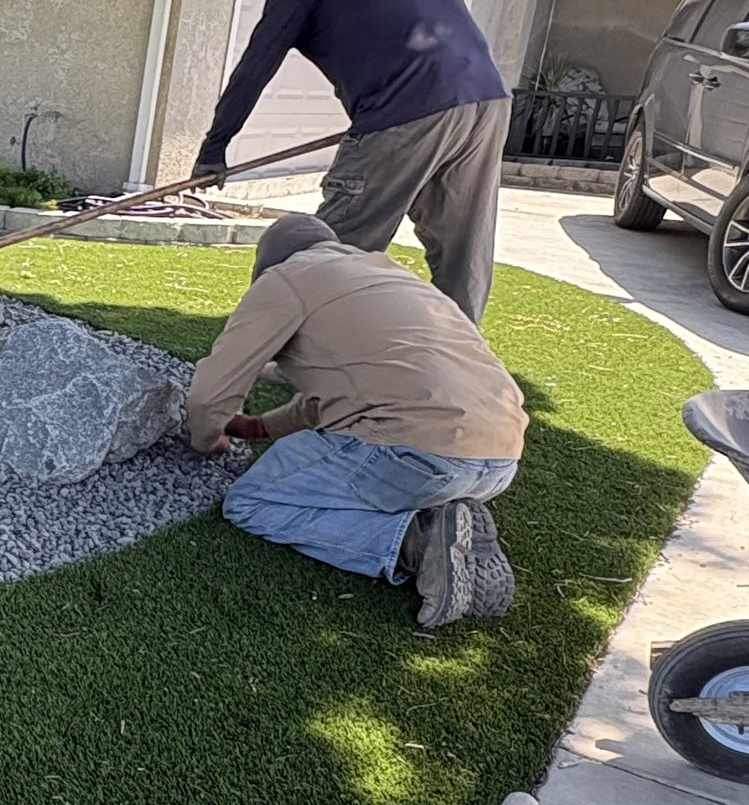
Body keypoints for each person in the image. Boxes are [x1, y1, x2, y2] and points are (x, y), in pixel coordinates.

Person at [189, 215, 526, 628]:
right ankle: (445, 523)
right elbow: (348, 391)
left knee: (252, 501)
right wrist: (258, 426)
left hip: (417, 454)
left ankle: (415, 543)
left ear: (266, 266)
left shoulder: (285, 279)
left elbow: (211, 390)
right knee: (376, 446)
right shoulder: (386, 273)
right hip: (500, 461)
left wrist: (207, 438)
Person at [191, 0, 510, 323]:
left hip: (404, 108)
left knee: (333, 244)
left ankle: (271, 348)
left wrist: (213, 150)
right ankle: (459, 363)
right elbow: (397, 31)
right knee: (463, 249)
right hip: (488, 100)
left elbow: (253, 70)